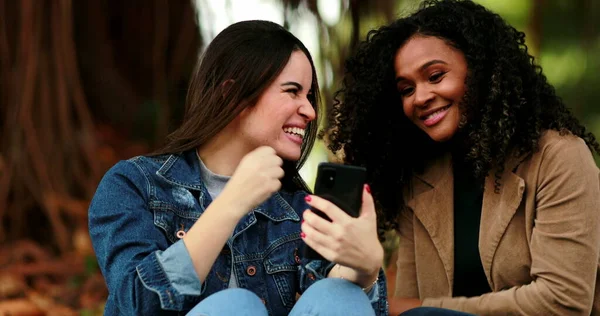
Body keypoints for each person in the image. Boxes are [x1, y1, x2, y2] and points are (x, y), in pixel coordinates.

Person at [88, 20, 388, 316]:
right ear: (233, 95)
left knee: (337, 295)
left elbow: (328, 301)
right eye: (293, 91)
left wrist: (363, 269)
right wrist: (233, 202)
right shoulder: (134, 185)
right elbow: (138, 304)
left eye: (309, 96)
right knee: (236, 306)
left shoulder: (296, 209)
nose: (310, 111)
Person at [324, 0, 600, 315]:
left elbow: (563, 302)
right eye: (406, 89)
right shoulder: (420, 179)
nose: (421, 97)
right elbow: (408, 302)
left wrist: (429, 309)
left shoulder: (559, 157)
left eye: (436, 76)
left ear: (481, 69)